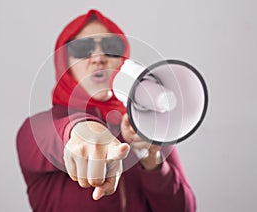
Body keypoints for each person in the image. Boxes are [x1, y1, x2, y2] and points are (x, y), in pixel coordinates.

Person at [16, 9, 196, 212]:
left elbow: (184, 209)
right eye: (82, 49)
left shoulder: (146, 124)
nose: (98, 57)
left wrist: (152, 161)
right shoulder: (37, 127)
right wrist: (84, 132)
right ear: (64, 64)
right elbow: (51, 135)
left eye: (111, 47)